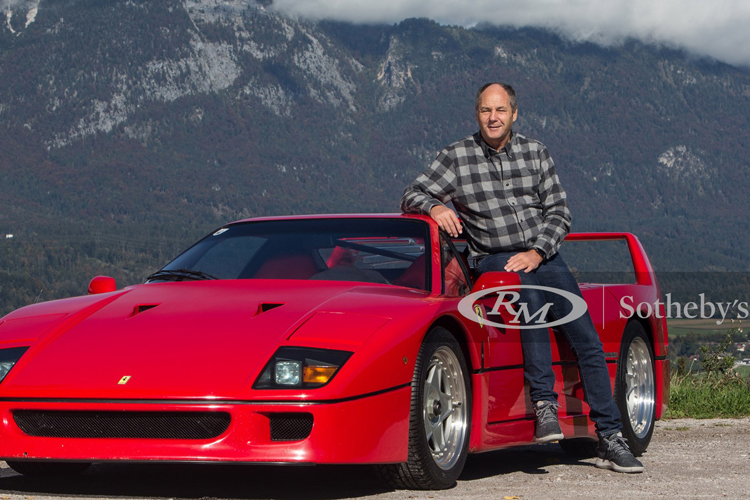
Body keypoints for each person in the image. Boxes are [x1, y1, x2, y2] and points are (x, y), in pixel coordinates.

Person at [400, 82, 644, 474]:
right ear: (476, 114)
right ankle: (544, 405)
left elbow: (559, 213)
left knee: (586, 338)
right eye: (485, 111)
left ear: (514, 114)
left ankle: (610, 436)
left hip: (543, 254)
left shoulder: (536, 152)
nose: (492, 118)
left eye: (500, 110)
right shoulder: (457, 157)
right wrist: (433, 206)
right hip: (493, 259)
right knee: (528, 296)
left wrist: (536, 252)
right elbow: (411, 193)